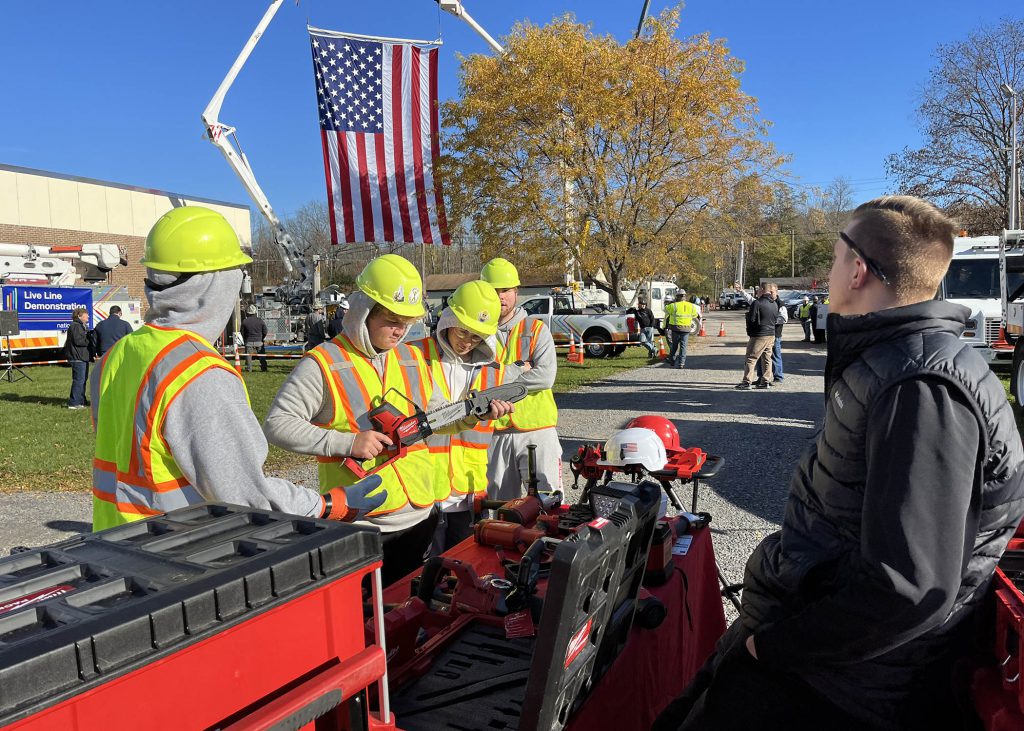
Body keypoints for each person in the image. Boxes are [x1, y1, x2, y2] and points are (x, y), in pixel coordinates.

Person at [654, 196, 1024, 731]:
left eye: (832, 258)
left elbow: (912, 585)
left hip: (837, 687)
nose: (825, 274)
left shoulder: (920, 384)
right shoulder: (890, 362)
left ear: (857, 269)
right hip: (808, 650)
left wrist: (773, 648)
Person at [90, 206, 381, 531]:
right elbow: (247, 496)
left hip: (115, 544)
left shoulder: (115, 356)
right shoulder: (198, 374)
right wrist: (330, 504)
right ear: (216, 285)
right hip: (177, 553)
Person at [264, 255, 513, 585]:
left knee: (409, 609)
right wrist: (347, 442)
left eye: (408, 323)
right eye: (393, 320)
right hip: (363, 523)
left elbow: (438, 420)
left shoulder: (410, 358)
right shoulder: (324, 363)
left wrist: (469, 418)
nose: (401, 330)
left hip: (419, 517)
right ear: (364, 309)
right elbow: (278, 424)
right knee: (368, 616)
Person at [410, 280, 510, 555]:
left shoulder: (494, 371)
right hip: (425, 488)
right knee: (421, 574)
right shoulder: (415, 357)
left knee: (463, 569)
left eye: (477, 337)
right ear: (447, 321)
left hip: (470, 489)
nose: (466, 342)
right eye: (463, 331)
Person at [480, 257, 563, 501]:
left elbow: (545, 377)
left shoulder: (536, 329)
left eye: (505, 290)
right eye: (493, 291)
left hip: (538, 430)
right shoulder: (478, 334)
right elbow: (475, 381)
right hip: (496, 432)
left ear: (516, 291)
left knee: (548, 505)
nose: (500, 297)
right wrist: (519, 370)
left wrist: (496, 382)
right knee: (499, 509)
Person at [735, 284, 777, 389]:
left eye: (758, 290)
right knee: (767, 358)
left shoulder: (757, 303)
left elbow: (752, 319)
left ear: (762, 290)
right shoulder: (774, 304)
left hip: (759, 335)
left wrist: (750, 332)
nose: (756, 292)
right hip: (771, 334)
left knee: (751, 358)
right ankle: (766, 381)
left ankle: (746, 382)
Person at [755, 291, 787, 384]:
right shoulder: (766, 302)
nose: (770, 294)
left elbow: (783, 319)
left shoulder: (780, 304)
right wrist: (741, 291)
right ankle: (761, 377)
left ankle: (778, 377)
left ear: (776, 292)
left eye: (772, 292)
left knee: (775, 356)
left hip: (775, 334)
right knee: (761, 356)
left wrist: (770, 321)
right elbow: (751, 300)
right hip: (764, 334)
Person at [663, 291, 700, 369]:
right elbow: (695, 315)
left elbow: (665, 309)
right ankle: (681, 363)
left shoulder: (674, 305)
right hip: (686, 329)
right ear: (685, 297)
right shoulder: (691, 305)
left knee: (674, 345)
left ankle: (672, 360)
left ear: (677, 297)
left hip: (675, 328)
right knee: (683, 346)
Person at [65, 307, 91, 409]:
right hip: (77, 357)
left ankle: (81, 400)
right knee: (79, 380)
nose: (88, 316)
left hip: (82, 356)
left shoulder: (81, 326)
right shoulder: (75, 326)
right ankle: (74, 403)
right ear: (80, 316)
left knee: (83, 380)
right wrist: (89, 339)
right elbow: (78, 341)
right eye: (86, 314)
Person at [241, 304, 269, 373]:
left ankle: (249, 369)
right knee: (262, 356)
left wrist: (245, 340)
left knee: (248, 356)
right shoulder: (260, 321)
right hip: (259, 341)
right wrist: (262, 338)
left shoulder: (245, 321)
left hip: (249, 341)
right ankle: (264, 368)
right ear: (255, 312)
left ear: (248, 313)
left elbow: (242, 332)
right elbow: (265, 331)